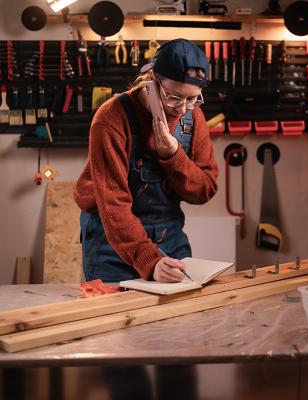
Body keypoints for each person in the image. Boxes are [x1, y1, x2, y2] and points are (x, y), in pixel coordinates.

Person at [74, 38, 218, 284]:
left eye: (193, 98)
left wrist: (173, 157)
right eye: (174, 97)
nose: (182, 109)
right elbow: (114, 205)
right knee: (116, 317)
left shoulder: (193, 118)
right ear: (152, 80)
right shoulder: (110, 119)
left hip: (169, 233)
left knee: (179, 317)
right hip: (111, 237)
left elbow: (204, 190)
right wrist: (149, 260)